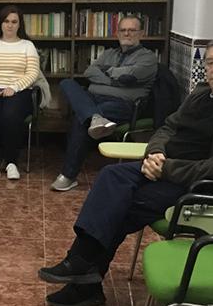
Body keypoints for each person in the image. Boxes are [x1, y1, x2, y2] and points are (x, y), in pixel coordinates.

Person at [39, 36, 213, 306]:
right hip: (165, 166)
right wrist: (155, 153)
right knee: (109, 177)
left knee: (122, 206)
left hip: (196, 184)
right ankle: (82, 269)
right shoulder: (202, 93)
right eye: (211, 62)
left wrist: (168, 168)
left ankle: (82, 272)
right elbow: (168, 126)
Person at [51, 15, 157, 191]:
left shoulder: (148, 58)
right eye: (123, 30)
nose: (127, 34)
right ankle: (94, 117)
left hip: (122, 104)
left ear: (141, 33)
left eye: (132, 30)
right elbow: (89, 72)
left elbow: (129, 77)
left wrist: (107, 73)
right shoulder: (109, 53)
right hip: (93, 99)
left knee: (81, 119)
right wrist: (115, 78)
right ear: (117, 33)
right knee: (67, 83)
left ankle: (68, 175)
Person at [0, 5, 40, 181]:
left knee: (10, 116)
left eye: (14, 22)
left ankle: (11, 162)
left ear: (19, 25)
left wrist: (15, 87)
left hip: (19, 91)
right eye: (6, 21)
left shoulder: (28, 46)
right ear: (0, 23)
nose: (10, 25)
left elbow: (33, 73)